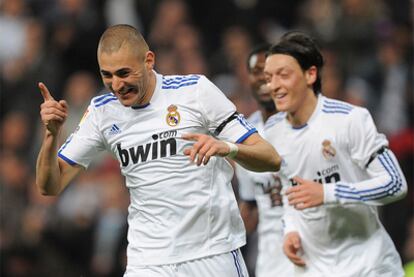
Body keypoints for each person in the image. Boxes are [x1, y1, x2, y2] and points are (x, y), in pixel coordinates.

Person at [36, 24, 281, 277]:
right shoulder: (102, 112)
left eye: (124, 73)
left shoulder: (195, 92)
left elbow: (270, 158)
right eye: (107, 75)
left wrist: (227, 148)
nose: (117, 85)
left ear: (149, 60)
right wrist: (51, 135)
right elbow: (49, 185)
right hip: (148, 260)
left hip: (211, 253)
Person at [262, 31, 407, 276]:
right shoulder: (273, 131)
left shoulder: (350, 119)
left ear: (310, 74)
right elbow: (290, 194)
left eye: (283, 75)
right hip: (315, 268)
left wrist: (328, 192)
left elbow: (395, 184)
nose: (273, 86)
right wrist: (291, 230)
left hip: (369, 266)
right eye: (268, 78)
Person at [235, 43, 294, 277]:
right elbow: (250, 205)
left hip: (314, 247)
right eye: (256, 71)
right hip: (271, 259)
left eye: (268, 70)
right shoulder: (244, 132)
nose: (262, 78)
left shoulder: (302, 124)